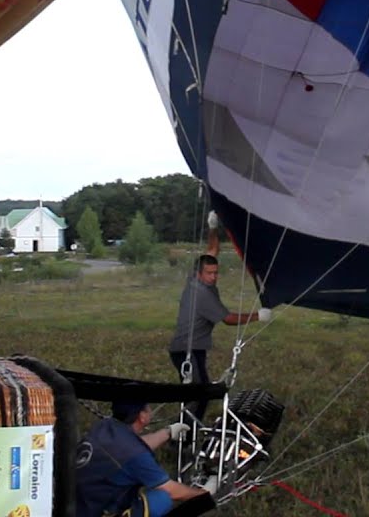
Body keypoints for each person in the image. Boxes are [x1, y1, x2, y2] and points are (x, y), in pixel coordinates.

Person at [168, 211, 271, 421]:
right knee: (198, 395)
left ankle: (187, 430)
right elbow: (229, 319)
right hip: (185, 350)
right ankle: (183, 438)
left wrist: (213, 227)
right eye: (210, 274)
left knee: (200, 392)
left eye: (216, 273)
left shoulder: (196, 276)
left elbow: (212, 250)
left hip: (195, 348)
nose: (214, 277)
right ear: (199, 274)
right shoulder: (201, 293)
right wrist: (258, 316)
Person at [75, 400, 213, 517]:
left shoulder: (106, 426)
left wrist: (167, 432)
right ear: (142, 416)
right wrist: (205, 493)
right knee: (161, 499)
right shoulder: (136, 457)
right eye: (148, 408)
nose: (150, 410)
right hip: (94, 511)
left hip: (72, 502)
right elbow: (172, 491)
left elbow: (133, 446)